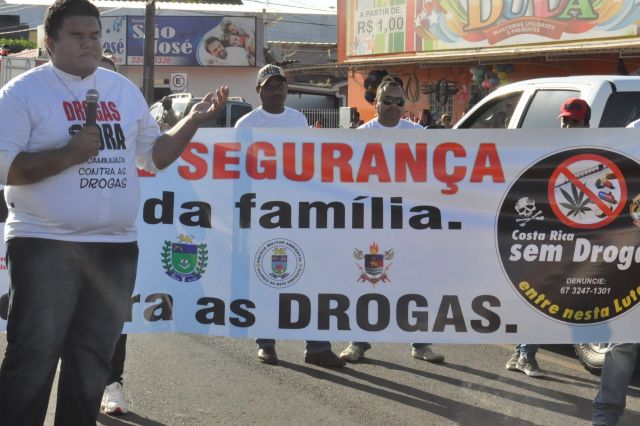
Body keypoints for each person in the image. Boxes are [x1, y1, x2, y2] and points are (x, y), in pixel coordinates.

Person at [0, 1, 229, 424]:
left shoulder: (121, 90)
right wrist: (69, 154)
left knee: (92, 363)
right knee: (33, 357)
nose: (89, 44)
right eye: (77, 36)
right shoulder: (23, 93)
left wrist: (194, 121)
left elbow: (154, 156)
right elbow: (6, 167)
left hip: (114, 247)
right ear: (50, 42)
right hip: (45, 241)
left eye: (95, 35)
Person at [235, 64, 344, 368]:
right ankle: (266, 343)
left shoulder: (298, 120)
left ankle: (317, 346)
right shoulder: (246, 123)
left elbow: (306, 163)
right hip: (262, 212)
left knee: (309, 275)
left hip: (297, 210)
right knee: (267, 277)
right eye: (269, 86)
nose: (276, 91)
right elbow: (238, 172)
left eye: (280, 85)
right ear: (258, 91)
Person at [339, 76, 445, 364]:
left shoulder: (418, 134)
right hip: (373, 224)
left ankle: (421, 343)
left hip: (409, 223)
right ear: (376, 103)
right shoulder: (361, 136)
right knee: (368, 280)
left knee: (415, 280)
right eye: (387, 100)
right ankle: (358, 342)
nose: (394, 106)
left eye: (399, 102)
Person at [505, 98, 591, 379]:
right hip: (543, 235)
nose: (568, 126)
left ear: (586, 124)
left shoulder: (595, 153)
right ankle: (525, 354)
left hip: (574, 238)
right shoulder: (545, 149)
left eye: (574, 122)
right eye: (565, 120)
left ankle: (521, 352)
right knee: (541, 294)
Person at [592, 113, 637, 426]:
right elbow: (608, 179)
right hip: (632, 253)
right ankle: (606, 413)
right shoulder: (633, 133)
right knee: (624, 342)